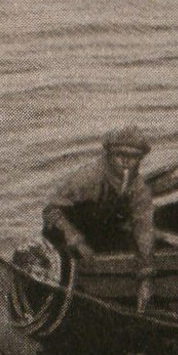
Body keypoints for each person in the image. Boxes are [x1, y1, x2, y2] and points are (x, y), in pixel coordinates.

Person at [41, 126, 157, 312]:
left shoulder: (138, 187)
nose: (126, 161)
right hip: (67, 231)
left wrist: (146, 276)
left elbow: (143, 228)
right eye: (120, 154)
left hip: (100, 229)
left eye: (133, 156)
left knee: (129, 250)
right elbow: (51, 210)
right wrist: (76, 241)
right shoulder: (88, 177)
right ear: (109, 155)